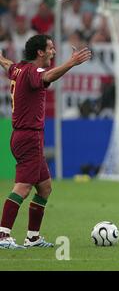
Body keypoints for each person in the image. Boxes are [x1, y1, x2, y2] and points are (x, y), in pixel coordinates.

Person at [0, 34, 92, 249]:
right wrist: (71, 62)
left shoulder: (19, 69)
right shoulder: (33, 72)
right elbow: (47, 77)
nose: (53, 51)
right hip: (28, 137)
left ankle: (32, 237)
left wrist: (1, 58)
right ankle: (3, 235)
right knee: (22, 187)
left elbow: (9, 66)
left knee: (44, 188)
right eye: (50, 48)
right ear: (40, 52)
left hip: (27, 136)